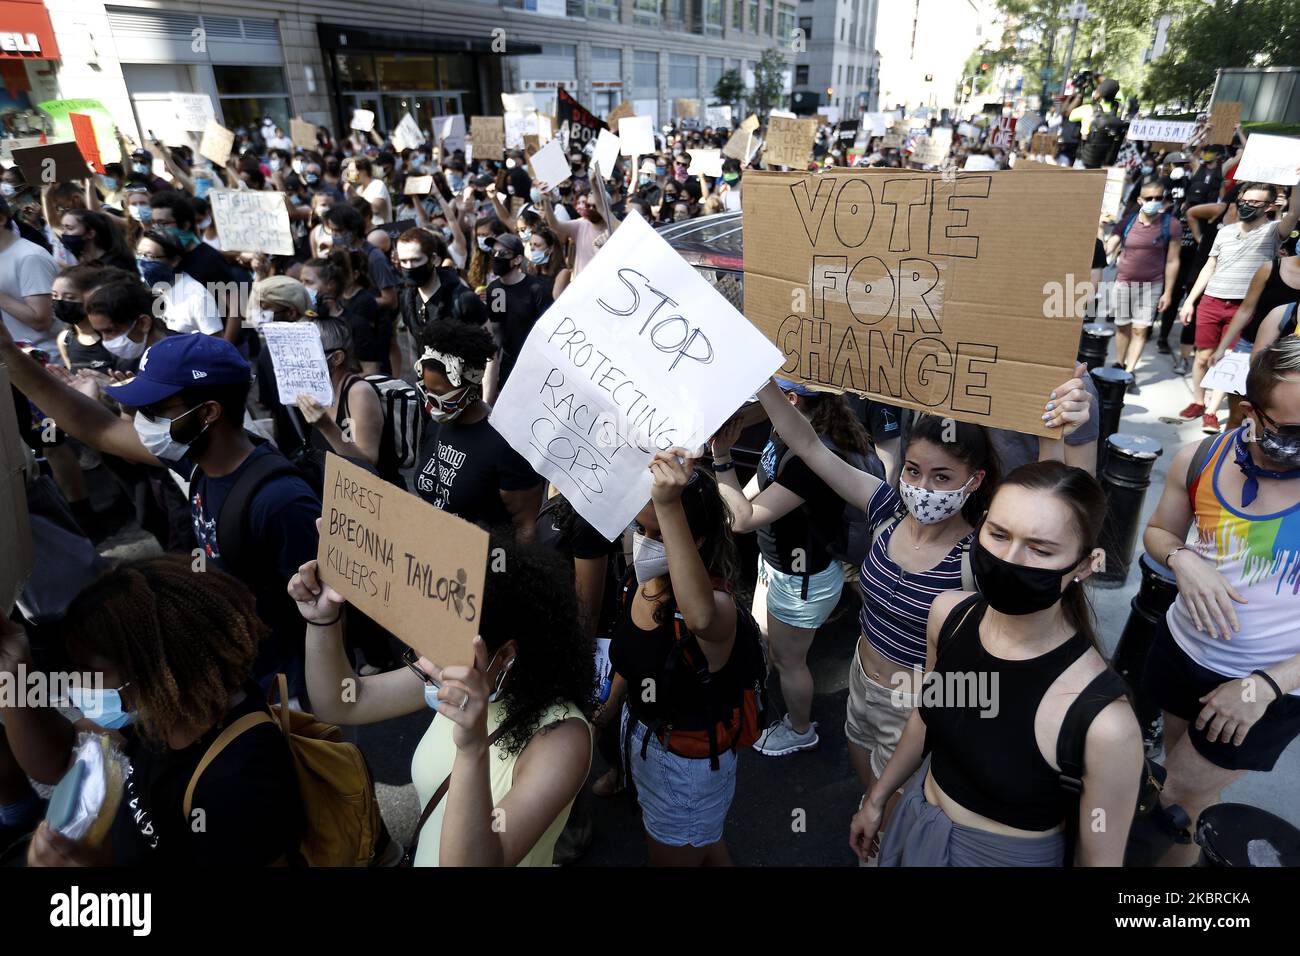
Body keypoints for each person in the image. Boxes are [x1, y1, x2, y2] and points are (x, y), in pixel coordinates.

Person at [758, 367, 1091, 857]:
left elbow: (1050, 510)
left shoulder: (980, 556)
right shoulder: (885, 508)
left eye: (942, 477)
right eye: (913, 471)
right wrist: (761, 377)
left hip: (916, 705)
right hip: (860, 683)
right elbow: (806, 444)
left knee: (892, 803)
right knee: (867, 785)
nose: (922, 488)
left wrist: (1058, 435)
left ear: (974, 481)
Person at [849, 462, 1144, 866]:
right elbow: (927, 716)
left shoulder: (1104, 723)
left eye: (1040, 549)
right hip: (914, 826)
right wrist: (877, 798)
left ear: (1084, 565)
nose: (1009, 558)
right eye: (999, 534)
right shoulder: (949, 616)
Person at [0, 328, 321, 694]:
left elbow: (322, 610)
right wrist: (9, 353)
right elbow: (98, 427)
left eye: (154, 409)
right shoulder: (200, 459)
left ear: (208, 413)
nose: (140, 419)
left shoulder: (280, 501)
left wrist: (297, 700)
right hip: (240, 669)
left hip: (284, 687)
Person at [288, 536, 592, 867]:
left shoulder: (562, 738)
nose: (428, 669)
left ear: (505, 654)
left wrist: (471, 747)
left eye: (441, 654)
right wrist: (322, 620)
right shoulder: (449, 673)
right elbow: (343, 702)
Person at [2, 556, 304, 866]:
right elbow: (59, 761)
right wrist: (14, 678)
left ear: (157, 673)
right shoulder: (161, 716)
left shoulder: (238, 782)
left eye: (89, 670)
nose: (76, 683)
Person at [1141, 336, 1300, 866]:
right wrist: (1184, 560)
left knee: (1163, 798)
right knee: (1192, 800)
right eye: (1292, 431)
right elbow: (1160, 532)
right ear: (1250, 412)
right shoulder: (1201, 456)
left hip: (1268, 688)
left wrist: (1267, 687)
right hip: (1182, 652)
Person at [711, 381, 880, 757]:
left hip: (800, 580)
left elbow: (744, 520)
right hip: (777, 566)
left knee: (790, 661)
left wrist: (721, 459)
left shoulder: (810, 460)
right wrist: (741, 494)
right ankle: (757, 694)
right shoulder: (788, 427)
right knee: (765, 642)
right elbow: (762, 477)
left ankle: (801, 729)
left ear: (790, 401)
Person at [610, 450, 760, 866]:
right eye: (638, 528)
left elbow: (699, 615)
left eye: (657, 533)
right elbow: (633, 660)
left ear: (693, 538)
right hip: (645, 738)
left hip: (684, 766)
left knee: (685, 844)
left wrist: (668, 504)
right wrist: (608, 710)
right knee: (702, 841)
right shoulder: (640, 582)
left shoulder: (716, 608)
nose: (642, 543)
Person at [1178, 182, 1300, 432]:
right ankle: (1198, 401)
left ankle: (1211, 411)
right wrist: (1191, 300)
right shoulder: (1224, 232)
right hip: (1212, 300)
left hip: (1243, 307)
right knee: (1203, 357)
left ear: (1269, 206)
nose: (1247, 206)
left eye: (1255, 202)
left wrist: (1296, 184)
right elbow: (1209, 267)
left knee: (1228, 362)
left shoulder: (1273, 232)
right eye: (1245, 200)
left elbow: (1295, 214)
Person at [413, 319, 543, 541]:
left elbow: (525, 528)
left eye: (440, 392)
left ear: (470, 384)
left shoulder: (505, 443)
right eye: (427, 389)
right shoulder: (436, 424)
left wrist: (508, 572)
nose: (431, 401)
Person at [294, 315, 396, 483]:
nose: (301, 361)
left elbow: (366, 465)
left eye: (308, 353)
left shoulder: (358, 393)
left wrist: (326, 426)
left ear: (337, 358)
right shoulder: (318, 391)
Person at [1104, 177, 1182, 391]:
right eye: (1149, 198)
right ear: (1140, 199)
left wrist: (1168, 292)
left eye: (1158, 198)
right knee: (1122, 327)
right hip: (1124, 283)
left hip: (1152, 286)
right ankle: (1120, 362)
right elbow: (1111, 246)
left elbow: (1173, 260)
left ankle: (1130, 371)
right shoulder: (1127, 222)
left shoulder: (1171, 225)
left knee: (1140, 330)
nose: (1154, 201)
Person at [483, 233, 551, 398]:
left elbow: (549, 333)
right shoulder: (494, 289)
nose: (497, 257)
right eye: (495, 253)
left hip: (535, 368)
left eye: (503, 253)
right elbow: (497, 331)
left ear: (517, 259)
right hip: (508, 366)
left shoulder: (537, 289)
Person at [300, 251, 390, 375]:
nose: (302, 287)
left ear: (330, 285)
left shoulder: (356, 325)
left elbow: (371, 371)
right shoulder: (304, 322)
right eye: (301, 282)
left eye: (308, 282)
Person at [396, 227, 487, 339]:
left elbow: (489, 346)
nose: (409, 267)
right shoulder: (407, 299)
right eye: (404, 261)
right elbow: (414, 347)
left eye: (416, 260)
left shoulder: (464, 299)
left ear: (434, 259)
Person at [0, 196, 59, 357]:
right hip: (20, 363)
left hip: (48, 363)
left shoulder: (30, 257)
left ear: (1, 219)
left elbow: (40, 320)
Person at [136, 230, 222, 336]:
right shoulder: (151, 287)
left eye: (150, 256)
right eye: (139, 255)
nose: (142, 262)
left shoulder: (198, 297)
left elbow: (216, 345)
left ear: (174, 261)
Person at [52, 264, 116, 372]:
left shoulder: (114, 338)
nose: (59, 302)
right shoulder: (65, 340)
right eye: (54, 296)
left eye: (70, 297)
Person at [59, 209, 136, 273]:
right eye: (63, 228)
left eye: (70, 228)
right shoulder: (82, 260)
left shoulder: (116, 266)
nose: (64, 233)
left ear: (90, 234)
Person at [345, 156, 391, 226]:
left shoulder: (377, 184)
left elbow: (375, 209)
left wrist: (354, 194)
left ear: (364, 171)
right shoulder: (359, 189)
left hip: (381, 230)